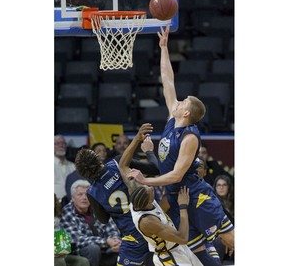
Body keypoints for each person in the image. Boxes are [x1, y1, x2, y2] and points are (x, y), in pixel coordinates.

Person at [127, 25, 234, 266]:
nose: (178, 100)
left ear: (186, 113)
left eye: (183, 101)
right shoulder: (172, 120)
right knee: (202, 255)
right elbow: (167, 80)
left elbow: (176, 175)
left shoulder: (189, 137)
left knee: (231, 240)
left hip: (195, 196)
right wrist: (163, 48)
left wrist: (146, 181)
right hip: (177, 199)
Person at [118, 123, 203, 266]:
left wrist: (137, 138)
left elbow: (122, 165)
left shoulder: (137, 193)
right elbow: (182, 238)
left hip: (179, 249)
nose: (150, 187)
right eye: (149, 190)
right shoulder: (147, 221)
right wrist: (182, 207)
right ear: (147, 202)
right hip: (169, 256)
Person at [74, 147, 160, 266]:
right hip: (154, 223)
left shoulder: (92, 193)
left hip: (134, 235)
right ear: (97, 158)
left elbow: (103, 220)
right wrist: (149, 151)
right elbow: (155, 168)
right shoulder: (117, 162)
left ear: (83, 173)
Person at [60, 180, 121, 266]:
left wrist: (115, 241)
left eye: (87, 194)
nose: (84, 197)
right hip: (82, 249)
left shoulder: (97, 208)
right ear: (73, 197)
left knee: (123, 246)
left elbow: (111, 228)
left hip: (105, 247)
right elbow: (77, 239)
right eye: (80, 194)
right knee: (93, 249)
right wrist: (105, 241)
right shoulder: (67, 212)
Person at [54, 193, 90, 266]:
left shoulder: (57, 220)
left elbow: (63, 247)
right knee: (59, 262)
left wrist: (63, 249)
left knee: (83, 261)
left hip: (60, 255)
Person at [55, 135, 76, 200]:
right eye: (57, 143)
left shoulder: (72, 166)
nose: (61, 145)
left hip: (70, 204)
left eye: (63, 143)